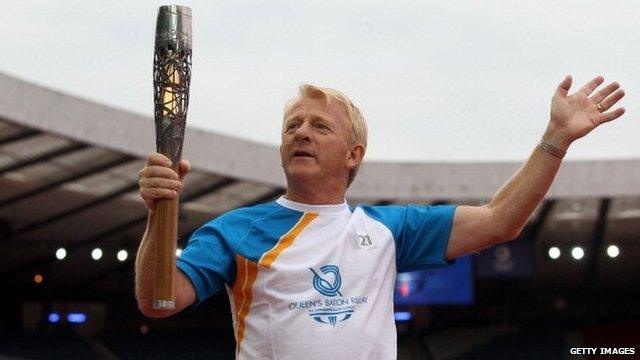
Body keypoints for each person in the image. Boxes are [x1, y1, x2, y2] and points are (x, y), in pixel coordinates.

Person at [135, 77, 625, 359]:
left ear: (354, 154)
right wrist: (161, 211)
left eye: (319, 125)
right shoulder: (237, 230)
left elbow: (500, 221)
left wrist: (556, 137)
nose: (301, 132)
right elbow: (159, 301)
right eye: (293, 125)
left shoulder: (390, 229)